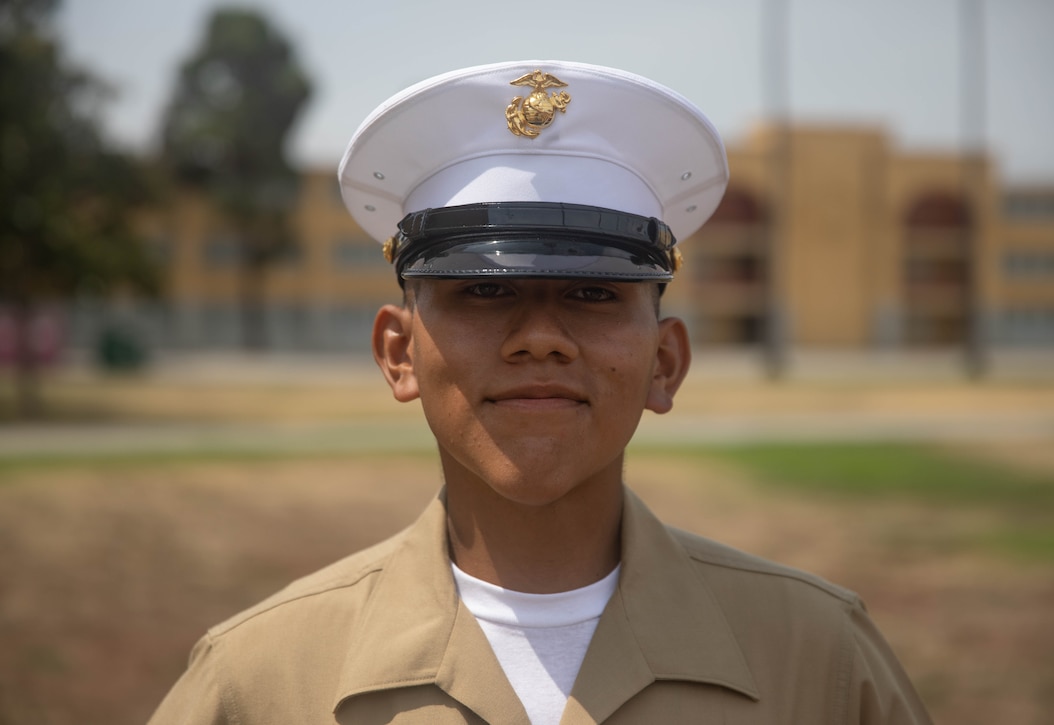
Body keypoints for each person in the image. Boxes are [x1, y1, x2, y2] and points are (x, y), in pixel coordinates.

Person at [150, 60, 932, 725]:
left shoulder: (817, 660)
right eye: (483, 294)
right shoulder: (262, 680)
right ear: (399, 352)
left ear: (665, 362)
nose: (540, 337)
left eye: (594, 295)